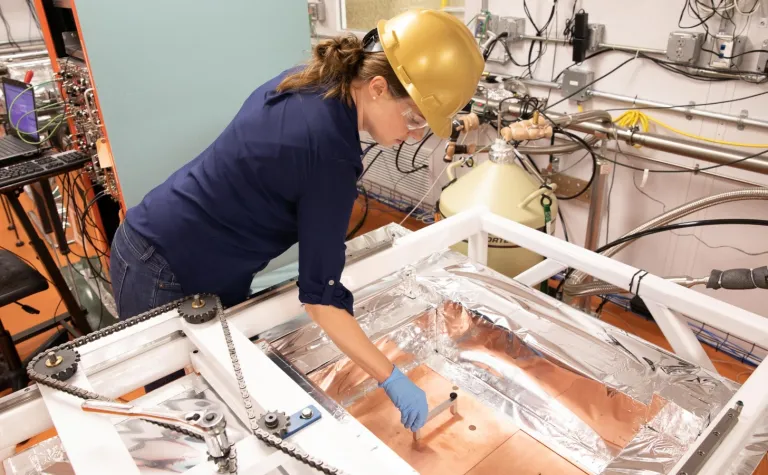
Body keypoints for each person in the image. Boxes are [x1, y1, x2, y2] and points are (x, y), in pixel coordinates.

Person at [109, 9, 483, 432]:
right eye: (414, 118)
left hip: (200, 257)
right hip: (163, 266)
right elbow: (320, 299)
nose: (414, 135)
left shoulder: (317, 82)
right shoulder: (329, 152)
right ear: (377, 87)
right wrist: (391, 376)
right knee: (183, 422)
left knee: (223, 396)